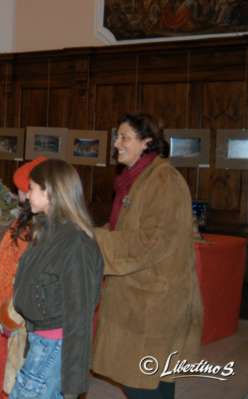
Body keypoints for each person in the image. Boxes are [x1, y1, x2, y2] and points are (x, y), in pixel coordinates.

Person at [92, 113, 203, 399]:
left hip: (153, 302)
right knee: (155, 378)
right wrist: (97, 232)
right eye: (117, 137)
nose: (116, 144)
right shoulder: (137, 178)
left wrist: (95, 237)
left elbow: (149, 242)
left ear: (146, 143)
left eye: (124, 137)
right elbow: (125, 227)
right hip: (140, 296)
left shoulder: (163, 181)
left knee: (142, 380)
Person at [11, 159, 103, 399]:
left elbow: (79, 313)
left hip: (54, 346)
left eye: (31, 188)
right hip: (42, 340)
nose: (27, 194)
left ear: (49, 192)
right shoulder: (47, 232)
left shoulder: (75, 242)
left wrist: (72, 382)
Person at [0, 156, 46, 396]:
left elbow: (26, 279)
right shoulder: (24, 222)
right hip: (14, 310)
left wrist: (10, 317)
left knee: (24, 379)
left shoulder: (38, 230)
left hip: (23, 315)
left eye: (24, 190)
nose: (20, 196)